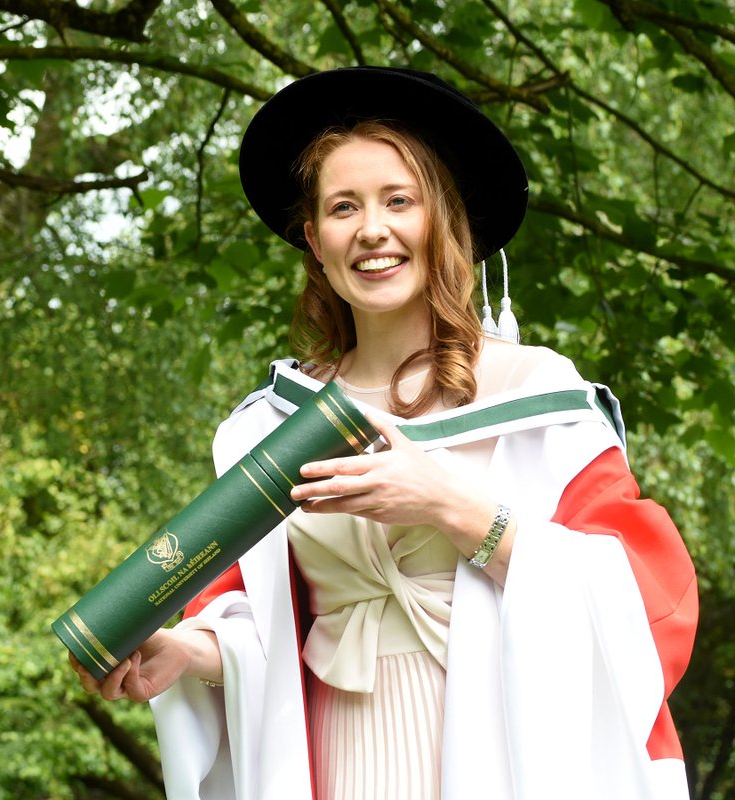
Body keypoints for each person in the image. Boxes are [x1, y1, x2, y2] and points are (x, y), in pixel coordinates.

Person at [70, 67, 697, 800]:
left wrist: (452, 507)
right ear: (314, 238)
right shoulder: (272, 425)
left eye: (399, 201)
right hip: (337, 761)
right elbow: (256, 622)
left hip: (498, 757)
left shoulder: (537, 397)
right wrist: (181, 652)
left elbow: (650, 601)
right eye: (343, 207)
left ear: (442, 221)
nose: (372, 229)